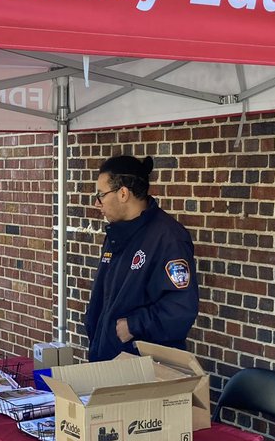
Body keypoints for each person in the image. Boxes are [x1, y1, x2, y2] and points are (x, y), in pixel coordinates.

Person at [85, 153, 199, 363]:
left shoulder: (168, 237)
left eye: (101, 194)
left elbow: (181, 308)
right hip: (107, 360)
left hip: (145, 369)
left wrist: (134, 325)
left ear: (123, 193)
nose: (97, 203)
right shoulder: (116, 235)